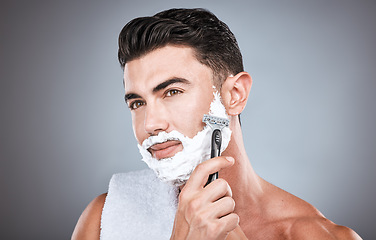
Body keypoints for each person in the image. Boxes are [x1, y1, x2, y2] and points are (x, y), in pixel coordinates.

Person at [72, 8, 362, 239]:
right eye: (137, 103)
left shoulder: (315, 236)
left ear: (234, 95)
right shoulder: (105, 219)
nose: (150, 124)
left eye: (172, 92)